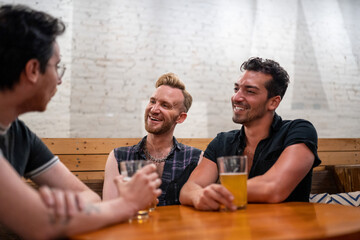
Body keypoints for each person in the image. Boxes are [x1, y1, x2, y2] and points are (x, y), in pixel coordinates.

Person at [0, 4, 161, 239]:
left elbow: (90, 198)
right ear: (33, 69)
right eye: (57, 67)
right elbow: (39, 224)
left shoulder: (20, 135)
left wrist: (62, 210)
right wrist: (127, 204)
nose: (60, 80)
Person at [179, 57, 321, 211]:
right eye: (236, 89)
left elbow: (274, 188)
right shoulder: (223, 141)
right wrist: (198, 195)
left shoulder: (298, 130)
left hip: (290, 231)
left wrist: (216, 193)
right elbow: (189, 189)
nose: (236, 97)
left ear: (273, 102)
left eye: (250, 91)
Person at [103, 73, 203, 206]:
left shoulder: (195, 159)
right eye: (152, 101)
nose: (154, 109)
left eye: (165, 105)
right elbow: (109, 211)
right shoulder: (118, 157)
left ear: (180, 118)